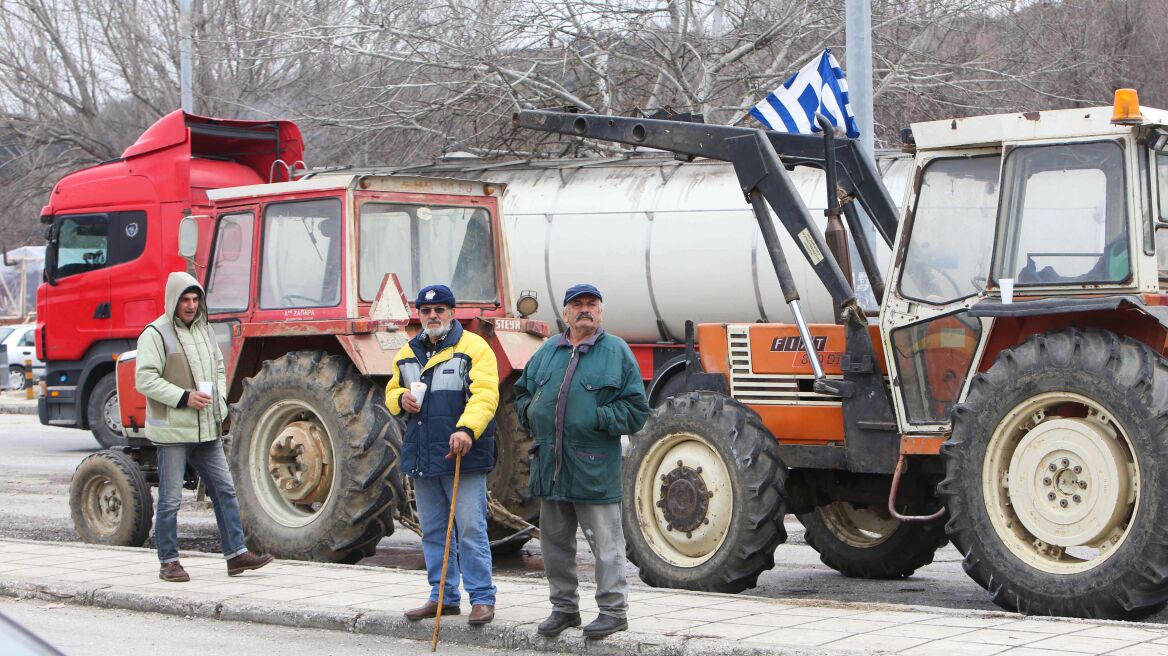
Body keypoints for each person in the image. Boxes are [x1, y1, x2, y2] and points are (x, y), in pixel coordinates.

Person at [515, 283, 649, 639]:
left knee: (606, 545)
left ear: (600, 311)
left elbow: (637, 411)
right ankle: (564, 609)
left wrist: (596, 417)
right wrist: (530, 412)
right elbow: (522, 392)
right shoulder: (547, 352)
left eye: (592, 304)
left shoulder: (616, 352)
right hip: (550, 467)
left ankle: (613, 611)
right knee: (554, 545)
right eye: (578, 305)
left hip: (593, 467)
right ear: (566, 313)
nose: (585, 310)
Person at [136, 272, 273, 582]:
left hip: (206, 430)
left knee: (225, 490)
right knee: (171, 500)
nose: (191, 305)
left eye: (195, 299)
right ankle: (168, 562)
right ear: (174, 300)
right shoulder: (155, 334)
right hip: (173, 433)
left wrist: (220, 403)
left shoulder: (205, 331)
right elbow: (145, 379)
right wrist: (185, 398)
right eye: (185, 299)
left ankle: (236, 554)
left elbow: (220, 368)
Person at [385, 284, 499, 625]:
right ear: (419, 315)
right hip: (423, 457)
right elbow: (391, 390)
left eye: (440, 310)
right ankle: (443, 597)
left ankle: (482, 598)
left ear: (452, 312)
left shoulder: (474, 348)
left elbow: (485, 395)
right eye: (425, 311)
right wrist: (400, 397)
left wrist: (466, 429)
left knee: (470, 529)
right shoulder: (407, 352)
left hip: (461, 455)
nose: (432, 316)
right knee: (434, 531)